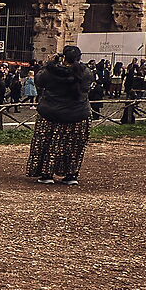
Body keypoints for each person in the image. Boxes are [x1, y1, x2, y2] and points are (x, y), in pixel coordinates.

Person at [28, 45, 93, 185]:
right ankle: (71, 175)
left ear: (63, 57)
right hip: (78, 114)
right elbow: (87, 87)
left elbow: (38, 81)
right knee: (74, 146)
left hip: (51, 113)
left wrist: (49, 64)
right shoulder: (86, 72)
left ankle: (47, 174)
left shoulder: (50, 72)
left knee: (49, 144)